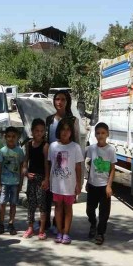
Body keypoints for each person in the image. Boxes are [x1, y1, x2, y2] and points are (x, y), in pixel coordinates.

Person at [44, 89, 81, 233]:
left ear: (67, 102)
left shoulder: (73, 121)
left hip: (67, 164)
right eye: (57, 99)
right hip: (51, 160)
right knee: (50, 196)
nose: (59, 102)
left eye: (63, 99)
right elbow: (47, 141)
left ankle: (62, 229)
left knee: (64, 200)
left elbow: (77, 142)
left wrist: (79, 180)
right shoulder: (49, 119)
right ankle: (47, 222)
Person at [85, 122, 116, 245]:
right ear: (95, 135)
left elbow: (112, 169)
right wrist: (87, 181)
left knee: (104, 213)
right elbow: (90, 165)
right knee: (89, 210)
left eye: (103, 133)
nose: (100, 135)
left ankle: (100, 233)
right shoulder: (92, 149)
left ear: (107, 134)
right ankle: (93, 223)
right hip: (92, 185)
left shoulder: (111, 150)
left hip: (104, 186)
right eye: (98, 133)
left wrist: (109, 186)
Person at [22, 118, 49, 240]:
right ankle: (30, 228)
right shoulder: (28, 144)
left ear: (44, 132)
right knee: (31, 204)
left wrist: (46, 179)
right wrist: (25, 172)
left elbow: (46, 164)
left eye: (41, 131)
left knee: (42, 205)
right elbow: (26, 160)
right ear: (32, 131)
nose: (39, 133)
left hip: (41, 178)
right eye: (37, 130)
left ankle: (42, 229)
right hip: (31, 178)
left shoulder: (45, 145)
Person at [0, 126, 25, 235]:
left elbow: (22, 167)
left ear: (17, 138)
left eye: (13, 137)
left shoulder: (19, 151)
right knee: (2, 203)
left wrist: (21, 183)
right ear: (5, 137)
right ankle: (1, 224)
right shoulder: (2, 151)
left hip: (15, 183)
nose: (11, 139)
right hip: (4, 182)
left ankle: (11, 223)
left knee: (13, 203)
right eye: (9, 136)